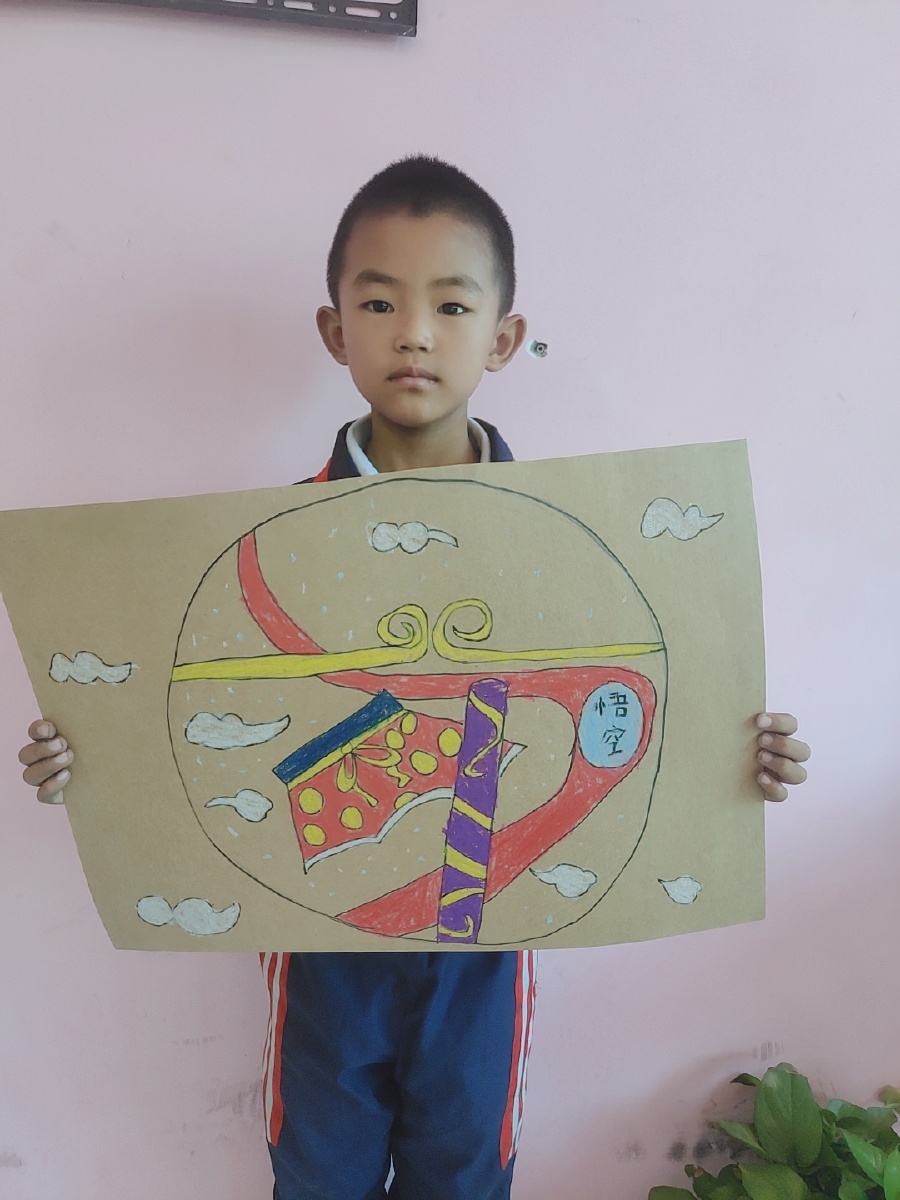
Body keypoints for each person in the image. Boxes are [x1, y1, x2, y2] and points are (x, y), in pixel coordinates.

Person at [17, 156, 811, 1200]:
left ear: (505, 338)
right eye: (381, 302)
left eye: (452, 305)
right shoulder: (258, 550)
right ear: (335, 329)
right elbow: (193, 715)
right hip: (322, 948)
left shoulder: (586, 550)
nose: (416, 333)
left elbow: (648, 703)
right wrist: (88, 753)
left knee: (465, 1174)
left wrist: (735, 757)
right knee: (320, 1175)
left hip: (490, 945)